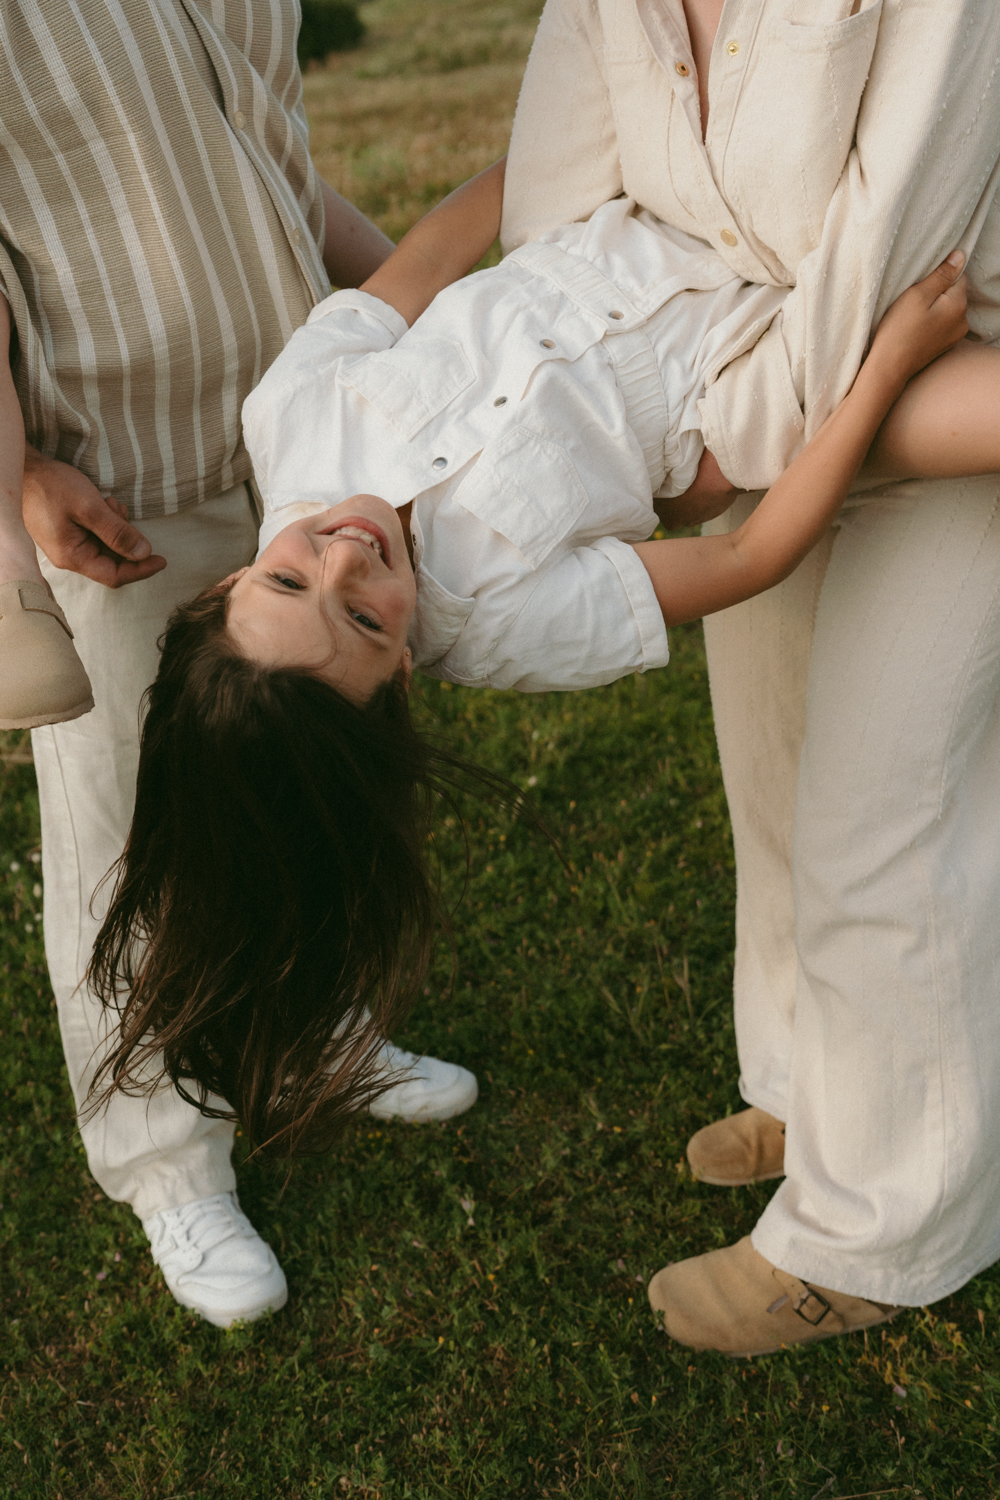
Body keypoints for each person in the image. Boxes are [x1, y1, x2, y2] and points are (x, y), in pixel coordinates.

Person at [88, 149, 983, 1234]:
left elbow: (423, 256)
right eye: (364, 619)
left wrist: (553, 146)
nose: (347, 559)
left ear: (228, 581)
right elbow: (748, 561)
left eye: (288, 577)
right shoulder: (509, 623)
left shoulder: (290, 415)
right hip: (747, 360)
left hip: (643, 207)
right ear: (402, 675)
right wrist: (884, 366)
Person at [500, 0, 1000, 1356]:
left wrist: (671, 432)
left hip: (957, 395)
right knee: (770, 767)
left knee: (878, 808)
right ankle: (807, 1086)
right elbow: (554, 243)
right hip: (753, 406)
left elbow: (907, 257)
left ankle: (881, 1232)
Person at [0, 0, 477, 1332]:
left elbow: (270, 173)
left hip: (307, 459)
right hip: (113, 493)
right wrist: (25, 478)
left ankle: (316, 1035)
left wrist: (446, 340)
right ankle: (164, 1159)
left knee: (304, 789)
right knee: (117, 835)